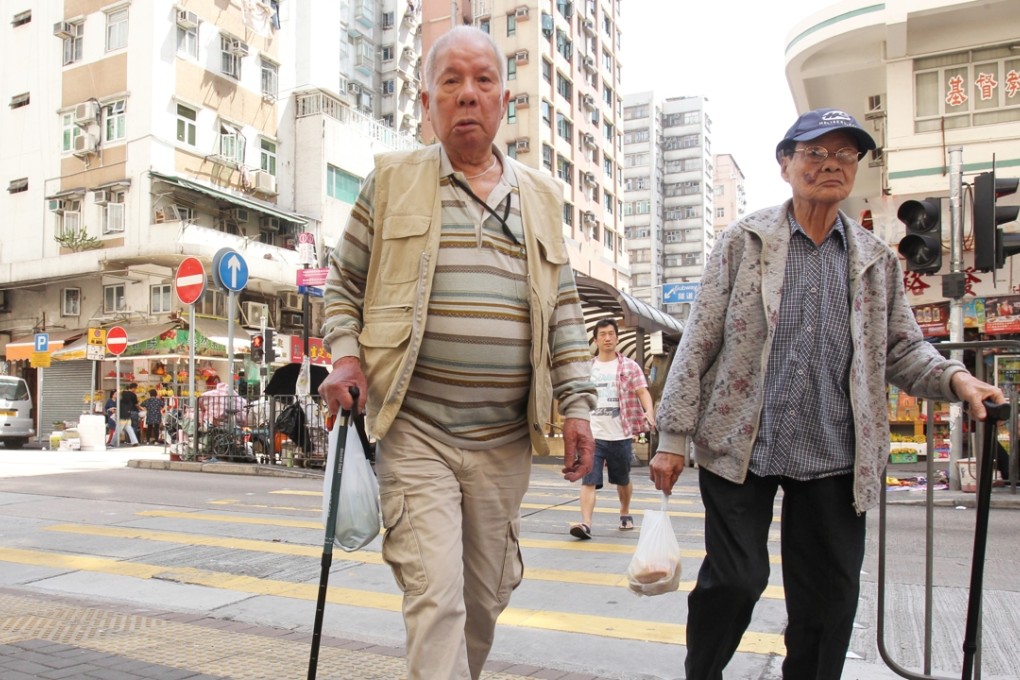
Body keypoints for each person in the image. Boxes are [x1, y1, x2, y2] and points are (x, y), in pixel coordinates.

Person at [649, 107, 1005, 680]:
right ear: (785, 164)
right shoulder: (745, 241)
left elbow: (903, 350)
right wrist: (672, 438)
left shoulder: (875, 260)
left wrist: (958, 380)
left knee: (830, 601)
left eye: (845, 155)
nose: (831, 165)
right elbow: (700, 339)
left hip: (835, 452)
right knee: (737, 581)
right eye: (816, 152)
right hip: (743, 445)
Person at [317, 25, 597, 680]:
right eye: (451, 81)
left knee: (483, 599)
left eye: (483, 80)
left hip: (504, 442)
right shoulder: (391, 181)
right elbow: (343, 284)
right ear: (427, 102)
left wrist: (579, 406)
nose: (468, 94)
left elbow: (564, 312)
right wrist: (347, 356)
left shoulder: (542, 198)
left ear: (504, 100)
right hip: (418, 433)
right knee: (436, 599)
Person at [570, 318, 655, 539]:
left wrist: (649, 411)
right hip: (592, 436)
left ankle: (625, 512)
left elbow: (642, 391)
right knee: (588, 479)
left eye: (611, 334)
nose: (607, 338)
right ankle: (586, 523)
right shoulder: (587, 368)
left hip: (620, 434)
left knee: (622, 479)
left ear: (616, 337)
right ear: (596, 340)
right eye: (602, 334)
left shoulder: (629, 366)